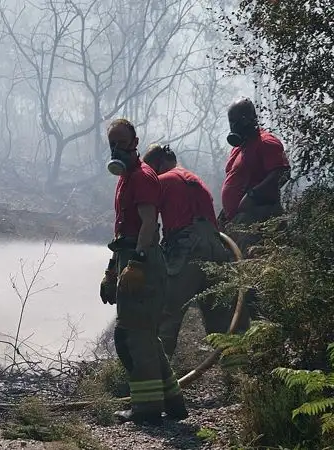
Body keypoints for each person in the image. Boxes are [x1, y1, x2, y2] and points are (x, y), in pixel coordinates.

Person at [99, 119, 188, 425]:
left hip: (144, 261)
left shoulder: (143, 177)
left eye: (121, 142)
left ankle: (147, 409)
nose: (115, 148)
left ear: (135, 142)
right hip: (129, 256)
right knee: (146, 336)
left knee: (133, 336)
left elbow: (149, 224)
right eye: (111, 143)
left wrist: (136, 264)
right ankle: (173, 403)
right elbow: (123, 230)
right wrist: (112, 271)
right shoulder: (125, 179)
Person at [142, 144, 247, 363]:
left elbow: (148, 221)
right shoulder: (195, 180)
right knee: (220, 316)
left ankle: (155, 374)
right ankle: (238, 377)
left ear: (159, 165)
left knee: (166, 314)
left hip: (185, 250)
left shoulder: (162, 181)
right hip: (217, 249)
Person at [219, 97, 291, 252]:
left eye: (238, 121)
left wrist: (252, 195)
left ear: (250, 119)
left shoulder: (266, 142)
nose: (234, 126)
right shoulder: (238, 149)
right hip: (239, 222)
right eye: (231, 121)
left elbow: (282, 173)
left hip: (259, 218)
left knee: (257, 262)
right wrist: (224, 215)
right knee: (242, 269)